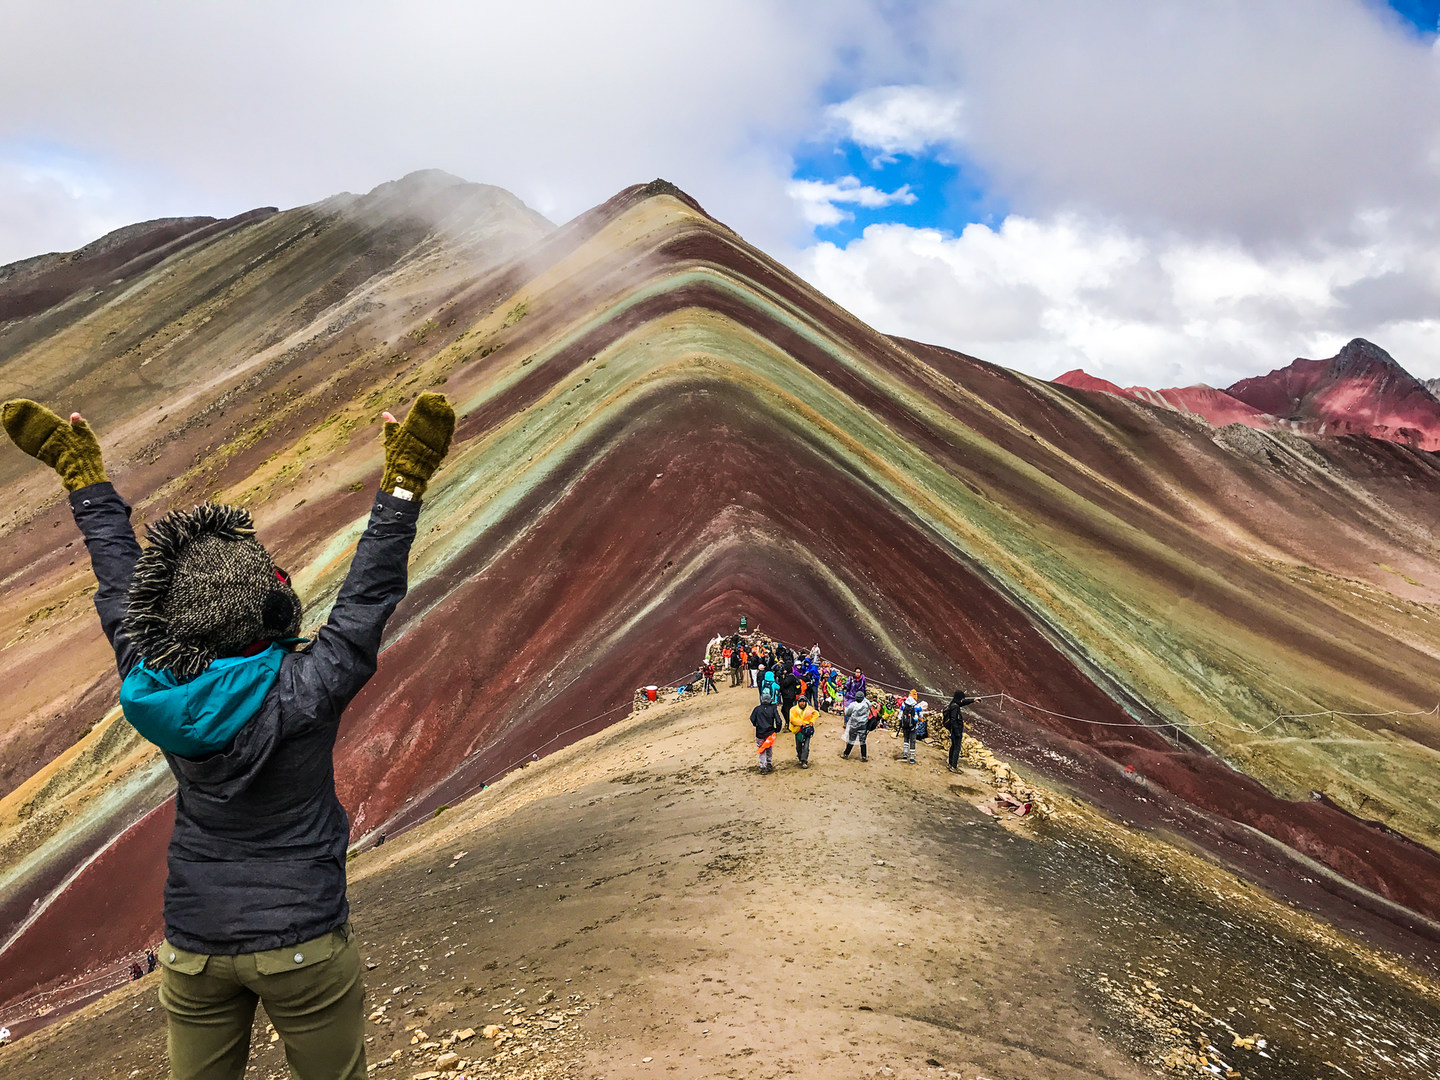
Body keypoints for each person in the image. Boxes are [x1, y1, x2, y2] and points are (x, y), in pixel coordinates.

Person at [2, 393, 456, 1080]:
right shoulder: (308, 687)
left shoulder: (155, 685)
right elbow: (368, 596)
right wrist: (403, 484)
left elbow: (123, 588)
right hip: (302, 938)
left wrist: (84, 480)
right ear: (273, 603)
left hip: (194, 945)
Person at [943, 689, 977, 772]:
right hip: (955, 730)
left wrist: (973, 700)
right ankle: (953, 767)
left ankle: (950, 764)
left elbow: (962, 703)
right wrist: (957, 732)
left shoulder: (953, 703)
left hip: (953, 730)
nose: (962, 700)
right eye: (962, 698)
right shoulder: (955, 707)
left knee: (953, 746)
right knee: (956, 748)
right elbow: (954, 719)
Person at [751, 697, 781, 773]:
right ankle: (769, 763)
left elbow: (752, 718)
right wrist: (777, 729)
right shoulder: (773, 708)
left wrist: (756, 725)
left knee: (761, 749)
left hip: (760, 733)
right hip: (769, 732)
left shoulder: (757, 709)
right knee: (769, 747)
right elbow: (779, 721)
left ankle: (763, 766)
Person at [841, 691, 871, 761]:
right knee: (862, 741)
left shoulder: (853, 705)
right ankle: (864, 756)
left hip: (854, 725)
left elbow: (848, 713)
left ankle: (846, 754)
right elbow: (869, 704)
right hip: (863, 724)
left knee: (851, 740)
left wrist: (845, 709)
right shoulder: (867, 703)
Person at [789, 700, 818, 767]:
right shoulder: (793, 709)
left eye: (803, 701)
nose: (802, 703)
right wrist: (801, 723)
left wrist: (812, 722)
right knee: (798, 746)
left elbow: (815, 714)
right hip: (798, 730)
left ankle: (804, 760)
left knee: (806, 746)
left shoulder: (810, 709)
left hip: (807, 730)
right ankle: (800, 757)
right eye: (800, 701)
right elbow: (792, 719)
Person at [898, 691, 919, 764]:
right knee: (912, 740)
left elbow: (899, 715)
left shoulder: (903, 704)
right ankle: (912, 758)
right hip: (913, 726)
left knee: (906, 738)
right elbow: (920, 716)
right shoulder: (917, 706)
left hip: (905, 725)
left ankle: (905, 754)